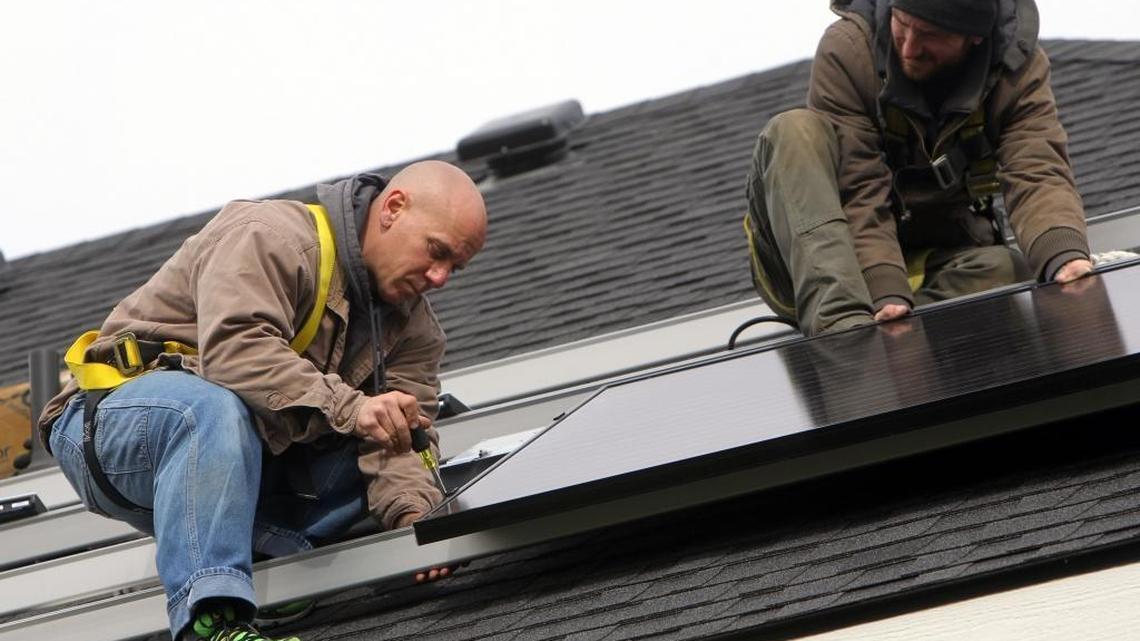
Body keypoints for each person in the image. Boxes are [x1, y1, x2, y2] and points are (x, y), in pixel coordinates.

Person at [37, 160, 487, 641]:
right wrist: (353, 409)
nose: (439, 278)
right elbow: (235, 351)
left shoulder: (415, 331)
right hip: (118, 429)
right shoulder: (270, 235)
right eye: (435, 252)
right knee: (210, 409)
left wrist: (415, 522)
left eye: (454, 267)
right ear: (393, 209)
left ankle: (271, 555)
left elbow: (401, 441)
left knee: (388, 446)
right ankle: (212, 621)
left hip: (246, 453)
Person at [744, 0, 1094, 336]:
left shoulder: (1015, 69)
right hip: (820, 259)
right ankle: (847, 336)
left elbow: (1037, 170)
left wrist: (1062, 255)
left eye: (929, 35)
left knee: (1005, 270)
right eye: (902, 25)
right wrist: (883, 288)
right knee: (794, 130)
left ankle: (903, 343)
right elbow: (858, 187)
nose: (910, 48)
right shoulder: (850, 51)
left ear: (974, 36)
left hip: (924, 263)